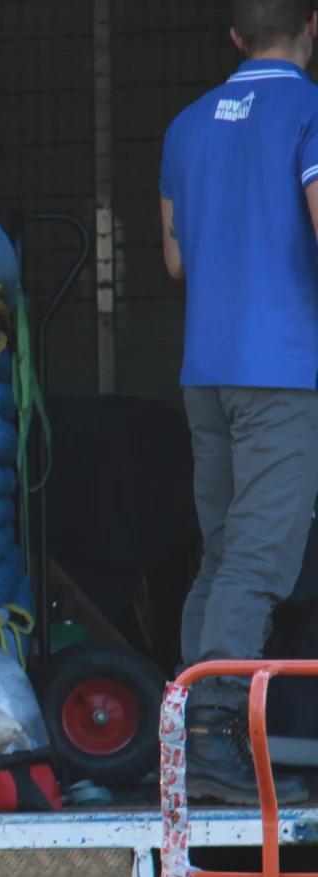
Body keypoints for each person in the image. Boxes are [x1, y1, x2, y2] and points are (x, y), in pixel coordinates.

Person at [161, 0, 318, 803]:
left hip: (206, 371)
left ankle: (190, 744)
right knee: (261, 556)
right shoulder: (309, 111)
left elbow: (175, 260)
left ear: (234, 36)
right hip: (282, 368)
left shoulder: (185, 128)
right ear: (313, 26)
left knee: (223, 554)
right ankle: (220, 748)